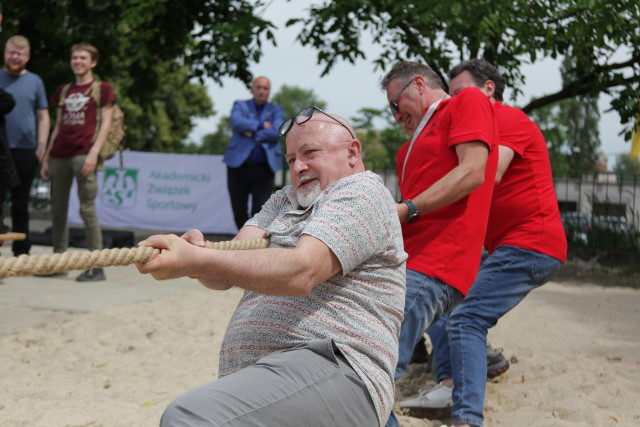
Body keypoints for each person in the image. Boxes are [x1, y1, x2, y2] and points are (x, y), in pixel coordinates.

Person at [136, 106, 407, 427]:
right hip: (276, 375)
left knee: (189, 417)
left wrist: (197, 259)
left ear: (352, 152)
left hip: (335, 365)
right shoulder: (284, 200)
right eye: (291, 159)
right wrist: (194, 256)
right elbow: (227, 270)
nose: (299, 166)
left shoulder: (363, 190)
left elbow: (302, 271)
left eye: (310, 152)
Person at [401, 59, 567, 427]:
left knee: (465, 319)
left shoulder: (505, 120)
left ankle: (466, 415)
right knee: (439, 290)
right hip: (505, 244)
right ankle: (455, 376)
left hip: (531, 243)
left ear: (488, 90)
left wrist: (422, 200)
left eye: (461, 94)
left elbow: (485, 176)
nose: (455, 103)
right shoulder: (472, 121)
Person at [380, 61, 498, 427]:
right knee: (373, 359)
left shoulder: (466, 102)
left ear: (419, 84)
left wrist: (408, 208)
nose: (397, 117)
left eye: (396, 105)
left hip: (438, 261)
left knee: (374, 364)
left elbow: (473, 171)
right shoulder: (407, 150)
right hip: (412, 261)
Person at [40, 43, 114, 281]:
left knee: (87, 209)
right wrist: (46, 157)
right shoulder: (64, 90)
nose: (78, 61)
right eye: (74, 57)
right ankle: (57, 262)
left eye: (83, 57)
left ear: (93, 62)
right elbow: (58, 126)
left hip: (84, 154)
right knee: (57, 209)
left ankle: (96, 266)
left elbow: (106, 124)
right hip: (60, 155)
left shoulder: (102, 88)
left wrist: (94, 153)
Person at [0, 35, 50, 255]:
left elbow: (43, 115)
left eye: (19, 53)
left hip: (26, 150)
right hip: (0, 149)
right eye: (11, 52)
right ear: (4, 53)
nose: (14, 56)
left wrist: (41, 146)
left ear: (27, 56)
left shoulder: (35, 81)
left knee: (21, 204)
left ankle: (21, 253)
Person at [223, 76, 284, 230]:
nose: (261, 91)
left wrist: (253, 133)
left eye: (265, 88)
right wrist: (262, 125)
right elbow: (236, 122)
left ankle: (254, 244)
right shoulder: (240, 105)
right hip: (238, 167)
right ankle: (244, 242)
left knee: (260, 211)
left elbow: (278, 130)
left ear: (269, 91)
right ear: (252, 88)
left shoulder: (276, 109)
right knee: (238, 210)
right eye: (258, 87)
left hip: (264, 169)